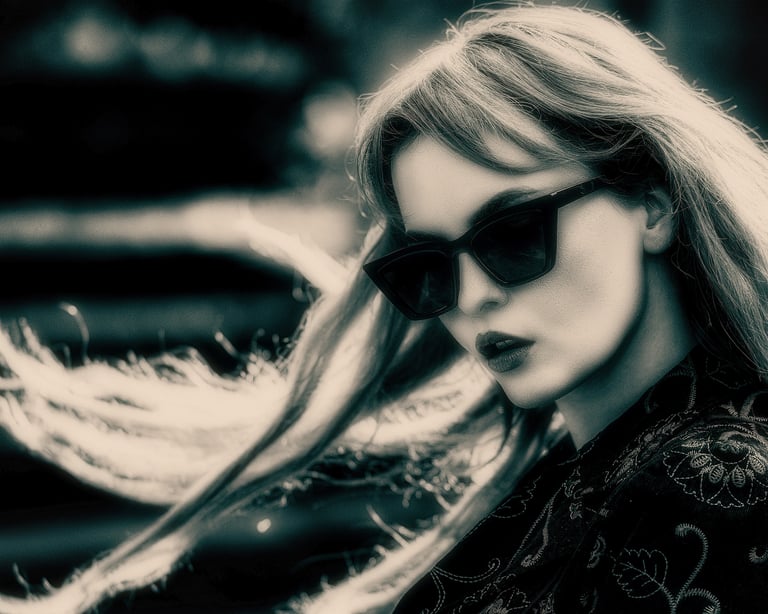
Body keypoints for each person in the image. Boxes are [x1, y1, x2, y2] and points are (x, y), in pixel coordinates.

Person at [2, 2, 768, 612]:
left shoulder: (713, 485)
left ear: (653, 205)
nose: (472, 296)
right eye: (429, 267)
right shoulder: (593, 474)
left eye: (513, 234)